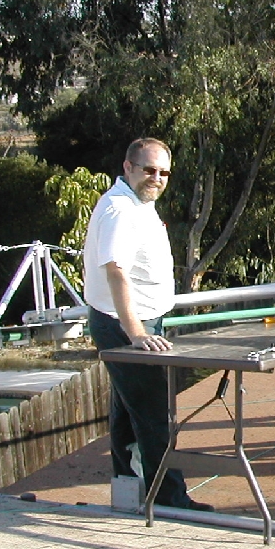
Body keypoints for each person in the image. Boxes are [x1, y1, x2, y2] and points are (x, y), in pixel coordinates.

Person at [83, 137, 213, 511]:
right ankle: (170, 500)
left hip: (134, 323)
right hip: (126, 326)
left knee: (130, 413)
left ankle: (130, 494)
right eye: (149, 170)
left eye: (163, 172)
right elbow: (116, 272)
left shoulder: (137, 204)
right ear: (128, 167)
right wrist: (136, 332)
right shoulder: (120, 210)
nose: (156, 178)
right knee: (155, 414)